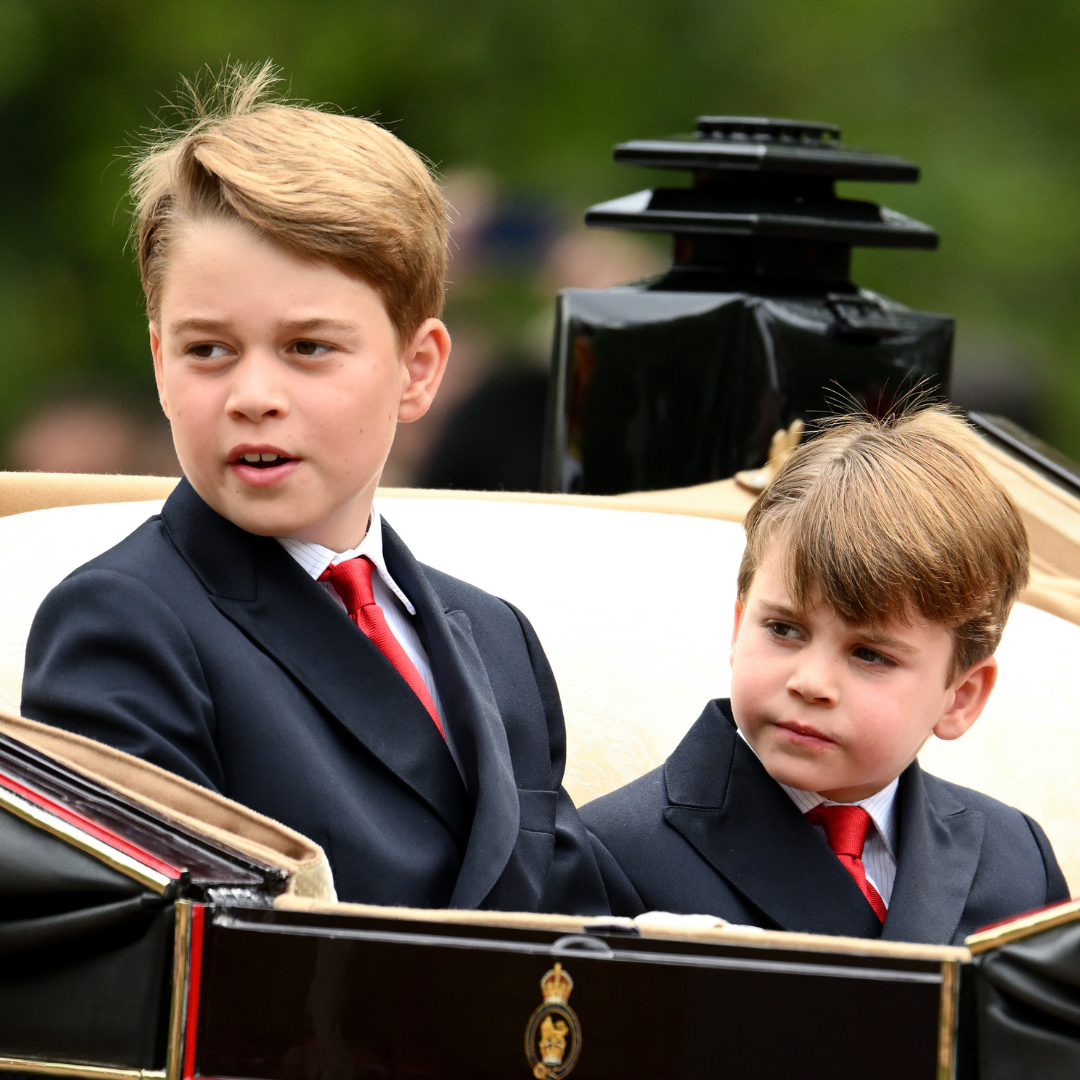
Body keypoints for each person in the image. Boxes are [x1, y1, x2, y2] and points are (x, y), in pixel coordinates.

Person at [20, 65, 608, 916]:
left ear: (418, 370)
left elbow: (578, 926)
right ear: (159, 364)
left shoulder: (496, 637)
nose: (254, 394)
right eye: (208, 350)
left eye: (307, 348)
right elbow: (165, 950)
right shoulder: (124, 623)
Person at [582, 406, 1069, 945]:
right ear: (739, 626)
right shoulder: (611, 852)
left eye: (870, 655)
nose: (811, 682)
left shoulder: (1016, 861)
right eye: (784, 629)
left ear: (960, 698)